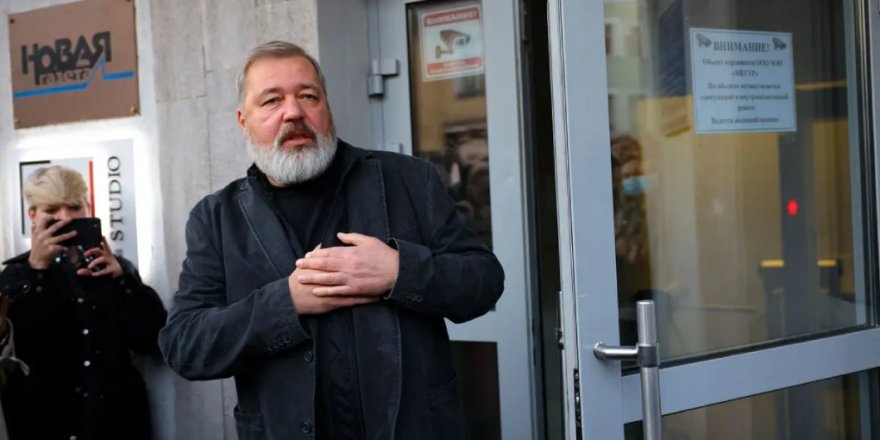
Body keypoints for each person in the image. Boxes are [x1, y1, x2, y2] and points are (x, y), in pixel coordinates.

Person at [158, 41, 505, 439]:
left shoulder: (410, 181)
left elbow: (484, 281)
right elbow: (185, 346)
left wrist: (400, 271)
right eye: (272, 101)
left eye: (308, 96)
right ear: (243, 120)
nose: (294, 112)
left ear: (326, 106)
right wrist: (286, 303)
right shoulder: (217, 218)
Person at [0, 165, 167, 440]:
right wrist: (37, 271)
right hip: (46, 425)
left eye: (74, 207)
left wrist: (122, 280)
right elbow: (20, 358)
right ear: (33, 215)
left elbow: (155, 341)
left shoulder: (114, 268)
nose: (65, 217)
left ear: (88, 208)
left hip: (118, 425)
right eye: (52, 210)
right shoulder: (14, 277)